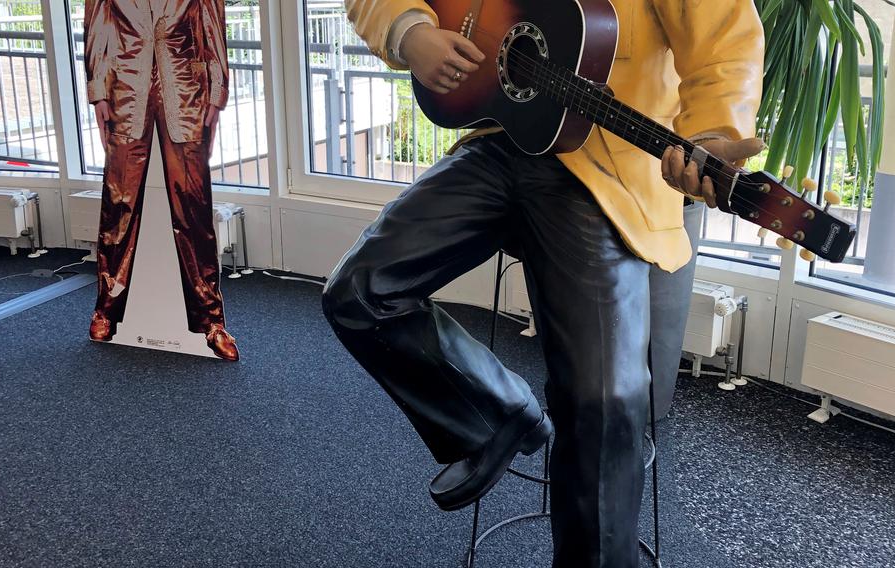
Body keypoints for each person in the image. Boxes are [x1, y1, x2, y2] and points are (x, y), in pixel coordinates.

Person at [322, 1, 764, 565]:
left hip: (610, 168)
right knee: (359, 290)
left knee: (603, 399)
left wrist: (715, 130)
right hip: (503, 137)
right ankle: (495, 416)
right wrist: (411, 34)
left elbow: (724, 34)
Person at [83, 0, 238, 361]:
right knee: (118, 205)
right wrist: (98, 92)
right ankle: (106, 309)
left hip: (186, 91)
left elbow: (213, 27)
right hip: (124, 89)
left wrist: (216, 95)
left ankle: (211, 322)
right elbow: (97, 26)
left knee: (194, 211)